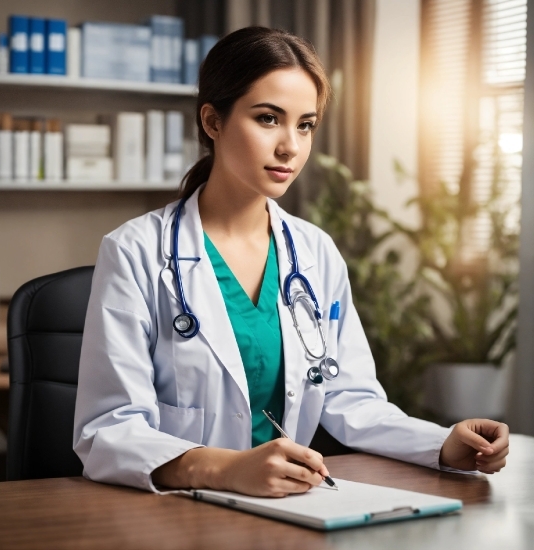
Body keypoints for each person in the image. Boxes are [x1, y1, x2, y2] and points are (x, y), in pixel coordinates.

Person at [73, 26, 509, 497]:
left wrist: (443, 444)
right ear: (212, 122)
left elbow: (351, 399)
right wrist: (226, 469)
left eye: (305, 124)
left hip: (288, 508)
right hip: (176, 514)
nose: (291, 146)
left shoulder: (315, 252)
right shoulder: (135, 252)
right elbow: (109, 431)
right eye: (267, 119)